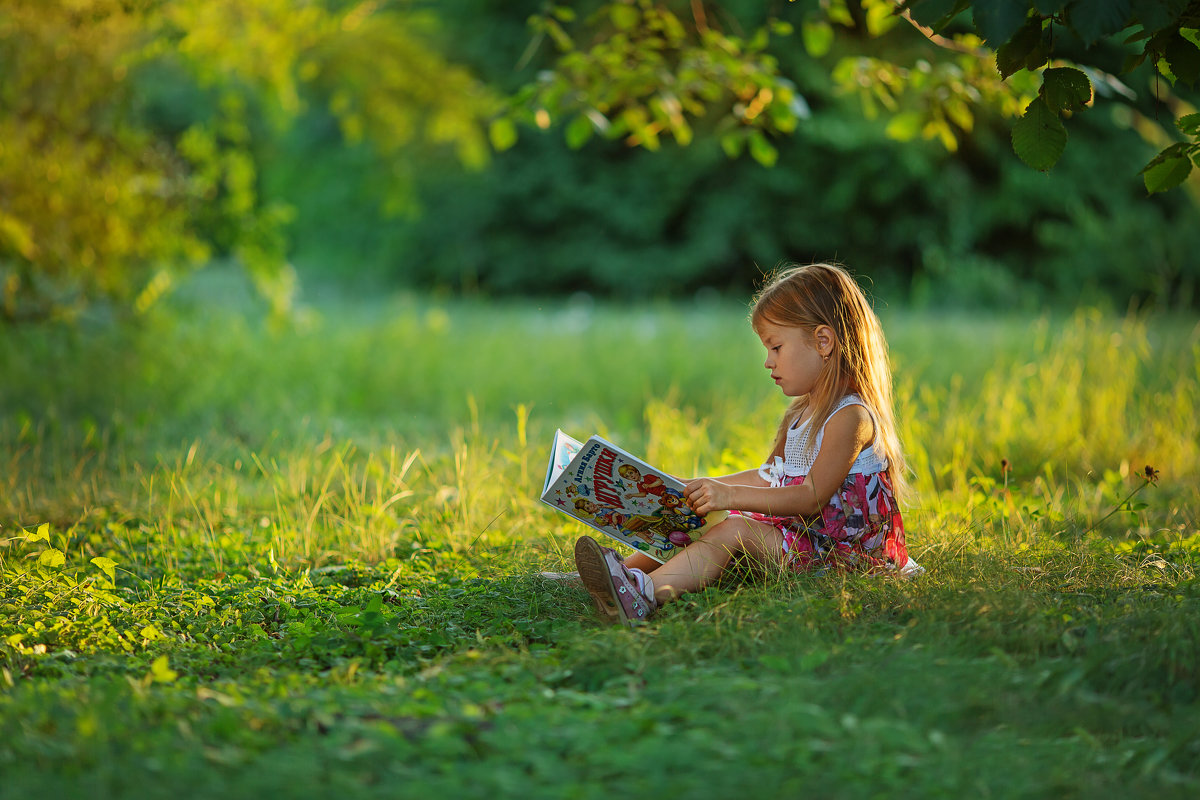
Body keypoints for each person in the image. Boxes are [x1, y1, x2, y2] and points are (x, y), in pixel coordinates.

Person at [573, 262, 921, 628]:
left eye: (776, 346)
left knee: (734, 528)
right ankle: (615, 579)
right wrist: (701, 490)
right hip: (804, 541)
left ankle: (641, 595)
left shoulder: (851, 417)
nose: (768, 362)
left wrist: (729, 496)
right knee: (699, 519)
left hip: (844, 559)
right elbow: (770, 476)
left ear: (823, 341)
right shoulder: (800, 413)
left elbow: (810, 497)